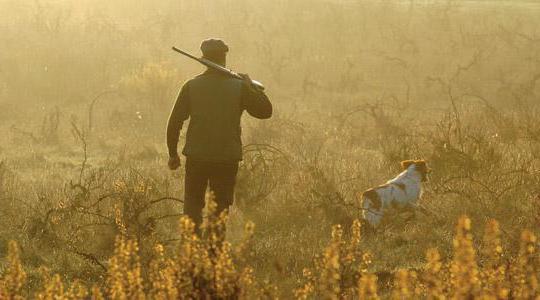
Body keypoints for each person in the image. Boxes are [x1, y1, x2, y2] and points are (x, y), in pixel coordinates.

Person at [166, 38, 272, 232]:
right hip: (225, 159)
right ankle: (214, 257)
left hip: (197, 157)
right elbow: (265, 111)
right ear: (224, 58)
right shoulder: (240, 87)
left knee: (192, 209)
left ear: (203, 57)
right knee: (220, 212)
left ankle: (190, 255)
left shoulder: (191, 86)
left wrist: (173, 153)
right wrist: (251, 87)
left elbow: (174, 122)